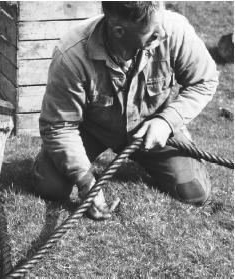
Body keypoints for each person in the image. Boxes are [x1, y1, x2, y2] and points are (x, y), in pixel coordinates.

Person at [32, 1, 218, 219]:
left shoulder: (173, 29)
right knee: (49, 186)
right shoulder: (72, 55)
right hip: (93, 130)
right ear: (119, 31)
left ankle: (168, 151)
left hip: (152, 128)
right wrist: (85, 181)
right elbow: (59, 126)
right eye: (152, 31)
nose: (161, 32)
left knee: (193, 191)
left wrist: (167, 121)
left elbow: (204, 82)